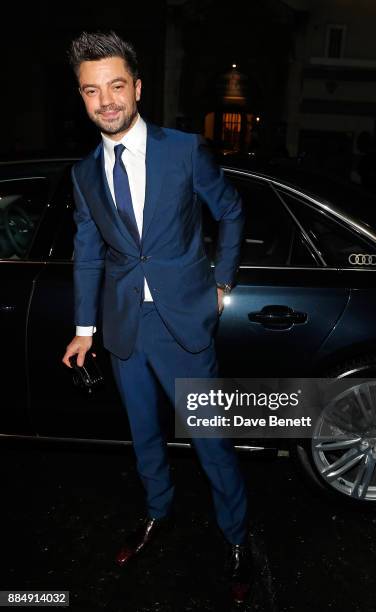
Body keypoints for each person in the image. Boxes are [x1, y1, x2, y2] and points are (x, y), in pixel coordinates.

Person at [61, 30, 252, 604]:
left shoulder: (185, 150)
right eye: (92, 91)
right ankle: (157, 514)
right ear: (83, 97)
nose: (106, 101)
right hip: (123, 328)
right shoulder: (85, 174)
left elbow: (232, 211)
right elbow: (88, 251)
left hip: (184, 324)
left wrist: (222, 281)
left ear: (137, 88)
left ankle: (237, 537)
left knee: (211, 439)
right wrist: (84, 329)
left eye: (116, 85)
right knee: (144, 436)